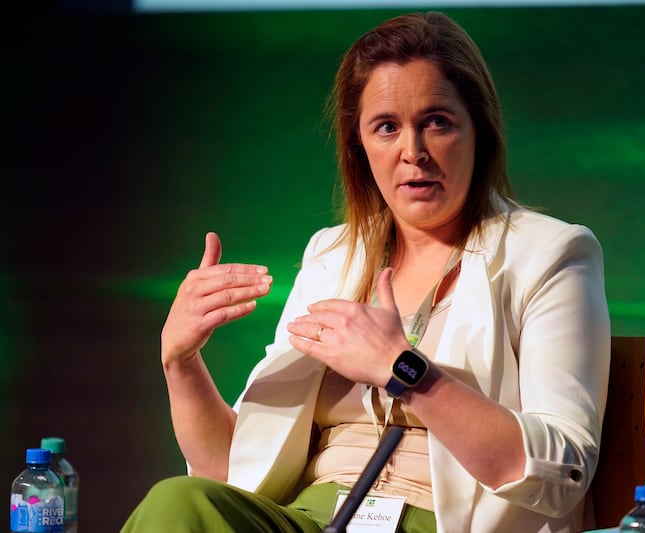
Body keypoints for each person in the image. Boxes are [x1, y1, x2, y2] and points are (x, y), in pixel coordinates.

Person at [121, 11, 610, 533]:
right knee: (179, 503)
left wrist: (407, 372)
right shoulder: (335, 255)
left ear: (479, 131)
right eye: (386, 128)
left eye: (437, 122)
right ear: (359, 146)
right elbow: (232, 472)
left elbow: (564, 471)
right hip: (312, 516)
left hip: (440, 521)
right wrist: (181, 361)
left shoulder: (550, 253)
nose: (413, 152)